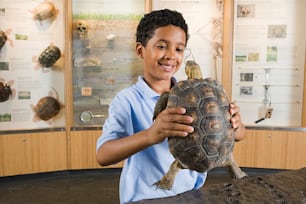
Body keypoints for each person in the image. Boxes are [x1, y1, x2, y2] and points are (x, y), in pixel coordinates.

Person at [96, 9, 246, 204]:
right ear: (141, 50)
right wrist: (151, 134)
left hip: (191, 193)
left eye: (179, 49)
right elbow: (103, 155)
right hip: (146, 197)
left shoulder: (196, 97)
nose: (170, 56)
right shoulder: (127, 100)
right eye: (161, 46)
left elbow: (239, 135)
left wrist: (236, 125)